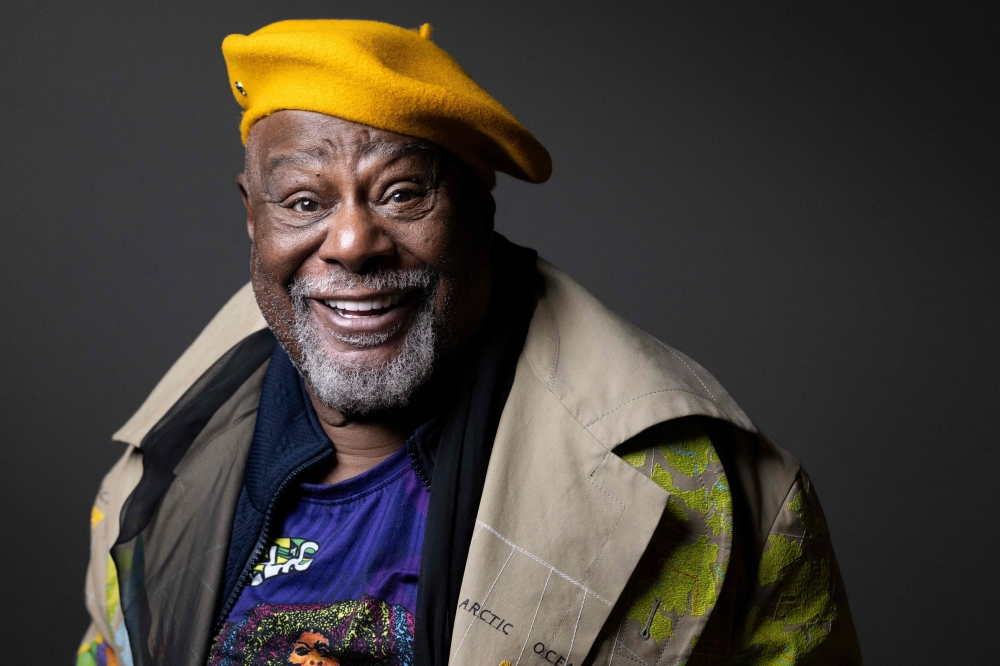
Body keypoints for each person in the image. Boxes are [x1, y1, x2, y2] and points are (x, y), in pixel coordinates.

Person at [76, 19, 861, 666]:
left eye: (402, 193)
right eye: (304, 200)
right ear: (253, 216)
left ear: (478, 212)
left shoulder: (722, 493)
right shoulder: (151, 474)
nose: (351, 241)